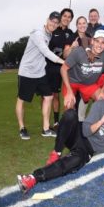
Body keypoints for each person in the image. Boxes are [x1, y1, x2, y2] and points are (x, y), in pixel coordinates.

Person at [16, 80, 104, 193]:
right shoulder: (100, 105)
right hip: (79, 133)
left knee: (73, 162)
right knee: (70, 114)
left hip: (88, 148)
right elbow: (87, 131)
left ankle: (32, 178)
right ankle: (56, 152)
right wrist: (101, 121)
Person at [15, 12, 65, 140]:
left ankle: (46, 128)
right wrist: (64, 62)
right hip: (27, 72)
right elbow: (45, 52)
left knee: (48, 97)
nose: (53, 24)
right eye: (52, 21)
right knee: (22, 100)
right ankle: (22, 128)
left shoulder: (49, 34)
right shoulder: (38, 33)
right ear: (47, 20)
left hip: (40, 72)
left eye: (56, 22)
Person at [60, 29, 104, 121]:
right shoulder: (79, 52)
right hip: (72, 82)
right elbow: (63, 69)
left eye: (103, 42)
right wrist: (69, 91)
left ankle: (94, 128)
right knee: (69, 107)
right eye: (97, 41)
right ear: (92, 41)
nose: (99, 45)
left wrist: (103, 90)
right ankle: (67, 130)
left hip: (89, 84)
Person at [46, 8, 74, 128]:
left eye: (69, 17)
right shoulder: (53, 29)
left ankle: (56, 122)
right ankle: (46, 121)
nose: (66, 18)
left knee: (56, 95)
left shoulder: (70, 33)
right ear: (61, 17)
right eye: (65, 16)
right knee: (46, 95)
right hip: (47, 66)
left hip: (61, 67)